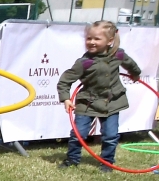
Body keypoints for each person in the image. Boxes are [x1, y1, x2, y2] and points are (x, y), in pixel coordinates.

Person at [57, 20, 141, 170]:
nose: (91, 42)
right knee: (78, 134)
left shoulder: (118, 54)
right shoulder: (84, 62)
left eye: (97, 38)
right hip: (87, 103)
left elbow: (131, 64)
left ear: (110, 40)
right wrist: (66, 99)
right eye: (89, 38)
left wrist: (135, 74)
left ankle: (107, 162)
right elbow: (65, 81)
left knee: (110, 135)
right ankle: (72, 160)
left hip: (112, 102)